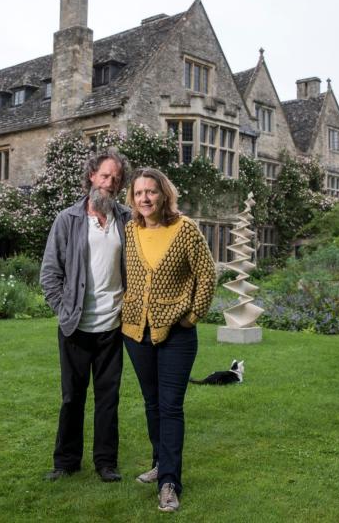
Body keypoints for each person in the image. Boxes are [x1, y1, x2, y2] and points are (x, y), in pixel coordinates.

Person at [121, 167, 216, 513]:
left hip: (177, 334)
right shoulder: (130, 230)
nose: (145, 198)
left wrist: (191, 316)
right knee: (151, 403)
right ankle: (161, 463)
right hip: (135, 332)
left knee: (170, 406)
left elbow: (207, 275)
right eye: (139, 193)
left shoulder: (185, 229)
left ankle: (170, 483)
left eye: (152, 192)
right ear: (132, 198)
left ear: (164, 194)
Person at [40, 148, 132, 483]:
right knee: (72, 397)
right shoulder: (68, 219)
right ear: (91, 175)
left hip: (113, 325)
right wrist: (64, 309)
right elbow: (50, 274)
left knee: (109, 398)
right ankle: (66, 462)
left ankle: (106, 463)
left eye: (116, 179)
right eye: (105, 175)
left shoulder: (127, 219)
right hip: (76, 326)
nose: (110, 183)